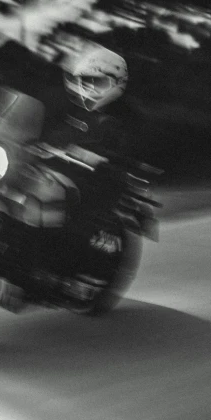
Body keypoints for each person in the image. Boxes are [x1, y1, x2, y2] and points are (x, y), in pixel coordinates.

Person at [41, 41, 136, 286]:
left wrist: (100, 159)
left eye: (96, 82)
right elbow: (51, 135)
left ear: (116, 84)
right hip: (65, 174)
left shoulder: (119, 119)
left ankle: (70, 269)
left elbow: (122, 154)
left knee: (74, 220)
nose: (87, 88)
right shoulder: (76, 116)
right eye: (83, 81)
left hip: (98, 185)